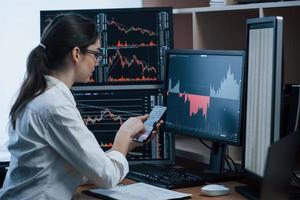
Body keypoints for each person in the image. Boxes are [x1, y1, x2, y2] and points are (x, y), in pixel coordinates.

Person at [0, 14, 162, 200]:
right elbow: (107, 177)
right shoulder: (54, 105)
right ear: (76, 54)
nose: (97, 62)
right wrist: (124, 133)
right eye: (96, 54)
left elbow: (80, 168)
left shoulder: (40, 94)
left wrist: (128, 145)